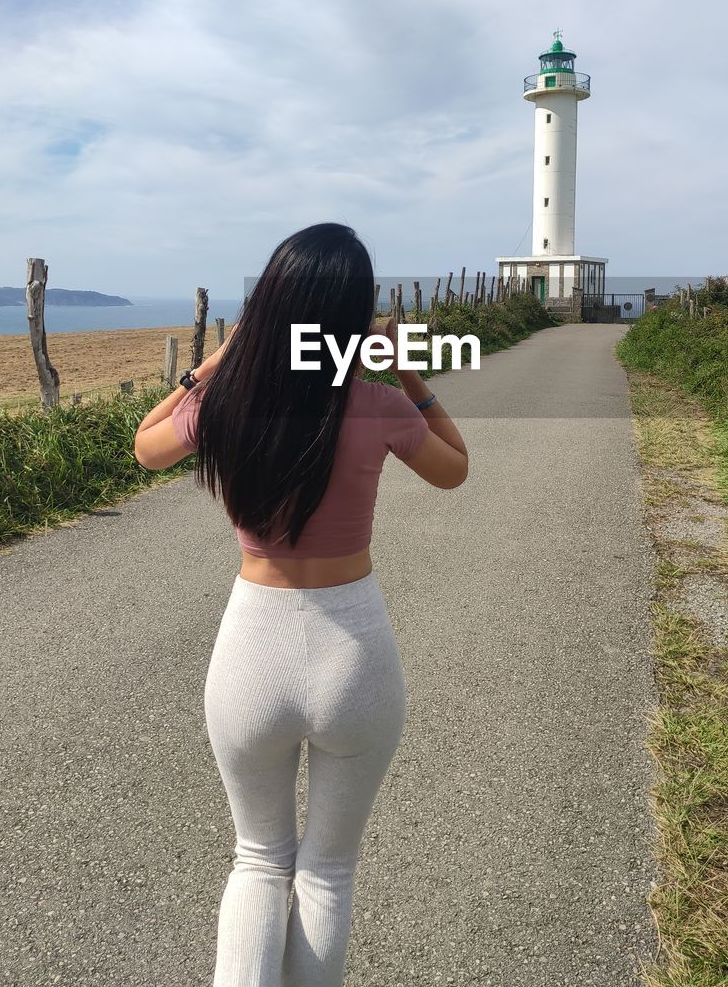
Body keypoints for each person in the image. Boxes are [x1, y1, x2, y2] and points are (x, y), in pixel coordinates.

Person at [133, 222, 469, 986]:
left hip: (251, 651)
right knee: (326, 873)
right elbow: (456, 469)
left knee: (256, 860)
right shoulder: (379, 404)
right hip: (356, 654)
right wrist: (412, 374)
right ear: (356, 317)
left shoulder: (231, 403)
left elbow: (144, 442)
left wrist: (217, 361)